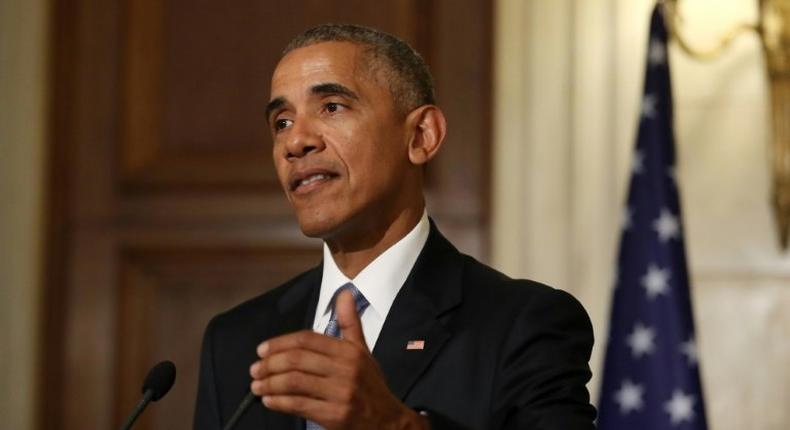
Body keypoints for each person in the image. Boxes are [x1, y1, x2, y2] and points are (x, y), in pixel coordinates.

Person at [193, 24, 596, 430]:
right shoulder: (236, 340)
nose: (295, 142)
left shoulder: (522, 324)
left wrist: (392, 424)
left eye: (332, 106)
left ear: (422, 135)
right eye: (281, 122)